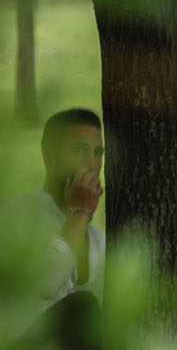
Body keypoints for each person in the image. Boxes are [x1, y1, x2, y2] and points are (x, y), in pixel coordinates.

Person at [6, 107, 105, 311]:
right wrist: (80, 212)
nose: (92, 164)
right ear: (48, 154)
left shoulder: (99, 240)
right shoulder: (15, 216)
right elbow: (45, 285)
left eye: (98, 153)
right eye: (79, 150)